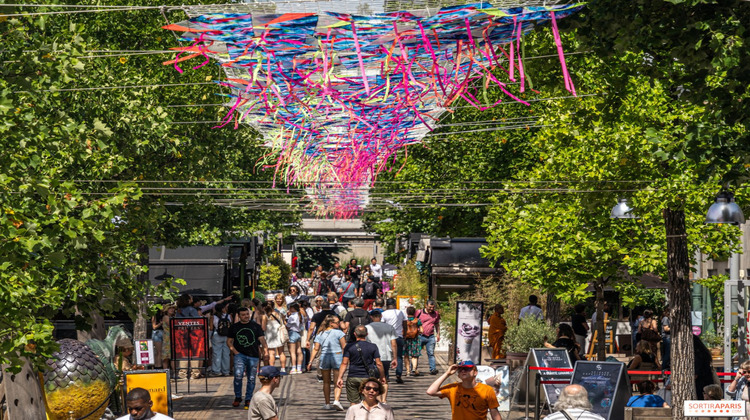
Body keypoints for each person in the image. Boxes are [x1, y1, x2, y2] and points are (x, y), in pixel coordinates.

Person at [425, 360, 501, 420]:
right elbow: (431, 391)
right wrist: (447, 373)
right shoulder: (453, 388)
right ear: (458, 375)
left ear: (475, 373)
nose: (463, 371)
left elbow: (494, 412)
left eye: (467, 369)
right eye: (460, 369)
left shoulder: (487, 390)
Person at [227, 307, 267, 410]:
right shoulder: (234, 327)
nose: (246, 316)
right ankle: (238, 397)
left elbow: (262, 339)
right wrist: (235, 352)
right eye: (243, 315)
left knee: (252, 378)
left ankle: (248, 398)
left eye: (247, 314)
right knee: (238, 375)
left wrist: (265, 350)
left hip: (253, 355)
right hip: (240, 355)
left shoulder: (255, 326)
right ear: (239, 316)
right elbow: (229, 341)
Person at [335, 325, 386, 407]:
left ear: (355, 334)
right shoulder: (373, 346)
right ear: (367, 334)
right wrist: (382, 376)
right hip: (368, 378)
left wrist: (340, 377)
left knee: (354, 403)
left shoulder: (349, 346)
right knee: (369, 401)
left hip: (353, 376)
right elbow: (379, 363)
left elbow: (344, 363)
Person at [308, 314, 347, 411]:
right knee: (338, 380)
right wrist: (346, 359)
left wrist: (310, 361)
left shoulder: (320, 334)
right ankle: (336, 400)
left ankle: (327, 403)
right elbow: (344, 347)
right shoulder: (339, 333)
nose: (339, 324)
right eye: (337, 322)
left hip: (324, 357)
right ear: (331, 323)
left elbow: (316, 349)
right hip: (337, 356)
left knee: (326, 382)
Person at [365, 310, 398, 402]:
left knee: (373, 379)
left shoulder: (366, 327)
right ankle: (384, 400)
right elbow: (394, 343)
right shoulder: (389, 327)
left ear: (371, 317)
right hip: (385, 356)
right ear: (381, 316)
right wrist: (395, 357)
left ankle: (377, 399)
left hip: (371, 357)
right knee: (384, 378)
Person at [381, 298, 406, 383]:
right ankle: (398, 374)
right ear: (395, 304)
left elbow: (382, 325)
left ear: (387, 304)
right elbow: (405, 323)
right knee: (399, 356)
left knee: (387, 357)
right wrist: (404, 333)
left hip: (387, 337)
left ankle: (386, 376)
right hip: (399, 336)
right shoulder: (400, 312)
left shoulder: (383, 314)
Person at [417, 300, 441, 375]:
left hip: (430, 336)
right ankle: (414, 369)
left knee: (431, 353)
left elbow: (437, 324)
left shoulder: (436, 314)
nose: (431, 309)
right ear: (426, 305)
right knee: (416, 353)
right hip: (420, 336)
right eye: (430, 307)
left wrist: (438, 334)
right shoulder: (419, 312)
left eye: (433, 307)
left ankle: (433, 369)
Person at [263, 302, 288, 371]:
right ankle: (283, 369)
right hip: (279, 335)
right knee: (281, 352)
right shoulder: (279, 314)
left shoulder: (265, 316)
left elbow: (263, 328)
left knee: (271, 353)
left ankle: (272, 368)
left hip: (269, 335)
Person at [209, 302, 231, 377]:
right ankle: (226, 371)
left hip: (217, 335)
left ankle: (217, 370)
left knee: (216, 353)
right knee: (226, 354)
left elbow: (211, 328)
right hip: (227, 336)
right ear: (222, 309)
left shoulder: (213, 317)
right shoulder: (228, 316)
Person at [404, 306, 422, 376]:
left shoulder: (404, 320)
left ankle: (408, 371)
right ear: (414, 312)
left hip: (406, 339)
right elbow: (421, 330)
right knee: (414, 355)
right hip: (415, 339)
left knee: (406, 356)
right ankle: (414, 368)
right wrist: (417, 333)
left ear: (407, 312)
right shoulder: (417, 320)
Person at [286, 302, 304, 374]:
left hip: (292, 333)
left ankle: (293, 368)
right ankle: (299, 368)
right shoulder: (300, 315)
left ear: (293, 308)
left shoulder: (291, 316)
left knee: (292, 352)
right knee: (299, 351)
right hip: (298, 333)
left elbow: (288, 326)